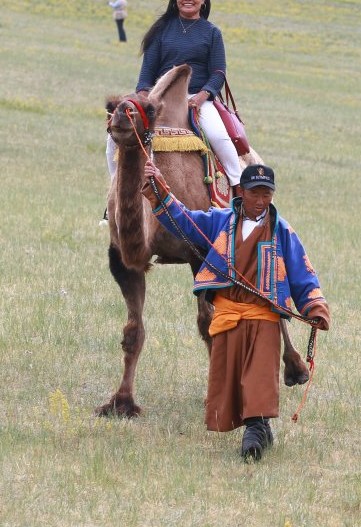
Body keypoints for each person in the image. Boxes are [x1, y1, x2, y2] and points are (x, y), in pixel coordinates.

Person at [141, 160, 331, 461]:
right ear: (241, 192)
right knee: (232, 380)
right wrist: (159, 189)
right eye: (255, 193)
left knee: (259, 376)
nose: (260, 201)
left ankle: (254, 433)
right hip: (228, 316)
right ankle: (262, 427)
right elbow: (184, 222)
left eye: (267, 194)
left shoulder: (282, 231)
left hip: (264, 318)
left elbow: (301, 272)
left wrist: (315, 307)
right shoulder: (220, 221)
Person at [105, 0, 243, 195]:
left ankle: (238, 190)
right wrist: (143, 98)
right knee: (114, 137)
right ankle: (116, 193)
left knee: (218, 136)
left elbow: (218, 72)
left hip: (197, 98)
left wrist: (202, 97)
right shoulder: (160, 30)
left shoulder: (212, 33)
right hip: (159, 99)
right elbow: (147, 72)